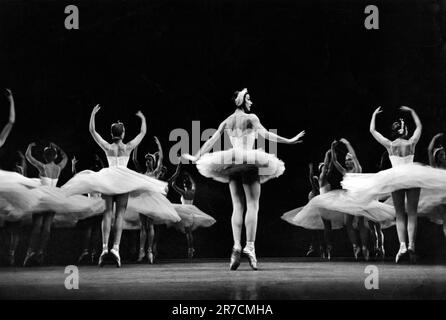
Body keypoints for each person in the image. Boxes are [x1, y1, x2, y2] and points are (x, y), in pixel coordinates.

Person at [183, 88, 305, 270]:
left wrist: (196, 156)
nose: (251, 102)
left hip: (232, 164)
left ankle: (236, 245)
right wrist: (288, 140)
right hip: (248, 163)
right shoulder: (251, 118)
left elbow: (210, 142)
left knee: (237, 206)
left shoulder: (227, 121)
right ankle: (250, 246)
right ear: (241, 101)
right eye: (249, 99)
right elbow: (265, 134)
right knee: (253, 205)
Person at [62, 105, 169, 268]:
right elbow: (142, 133)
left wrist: (92, 114)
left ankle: (105, 248)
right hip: (123, 180)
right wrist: (143, 119)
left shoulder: (108, 146)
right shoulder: (127, 147)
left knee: (107, 214)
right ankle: (116, 248)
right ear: (123, 134)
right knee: (119, 214)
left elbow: (92, 131)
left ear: (112, 134)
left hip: (109, 179)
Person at [342, 106, 446, 263]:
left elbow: (372, 130)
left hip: (396, 178)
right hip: (412, 176)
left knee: (399, 215)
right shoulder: (411, 142)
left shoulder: (390, 145)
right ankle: (411, 246)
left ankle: (402, 246)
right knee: (411, 214)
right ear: (405, 131)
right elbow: (419, 127)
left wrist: (374, 115)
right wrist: (412, 112)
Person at [23, 142, 68, 266]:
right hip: (53, 200)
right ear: (54, 157)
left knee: (37, 227)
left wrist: (30, 146)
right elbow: (65, 158)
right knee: (47, 228)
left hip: (42, 200)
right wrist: (58, 147)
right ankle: (41, 252)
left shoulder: (43, 167)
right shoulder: (58, 168)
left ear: (45, 156)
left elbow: (28, 157)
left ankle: (30, 252)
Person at [331, 138, 370, 260]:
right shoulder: (344, 172)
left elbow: (354, 156)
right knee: (348, 223)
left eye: (349, 160)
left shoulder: (358, 170)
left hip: (358, 200)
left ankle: (364, 247)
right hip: (349, 201)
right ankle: (356, 246)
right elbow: (334, 161)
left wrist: (347, 144)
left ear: (353, 161)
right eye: (346, 160)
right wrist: (332, 148)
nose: (347, 162)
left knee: (361, 224)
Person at [168, 161, 216, 259]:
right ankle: (190, 249)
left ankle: (190, 249)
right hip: (190, 213)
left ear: (185, 186)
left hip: (185, 213)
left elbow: (173, 186)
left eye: (184, 185)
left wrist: (174, 180)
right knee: (188, 232)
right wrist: (189, 176)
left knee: (188, 232)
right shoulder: (192, 192)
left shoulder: (184, 193)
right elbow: (194, 184)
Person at [281, 163, 325, 258]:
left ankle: (318, 248)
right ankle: (315, 248)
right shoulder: (315, 191)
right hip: (314, 214)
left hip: (316, 214)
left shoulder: (316, 190)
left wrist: (311, 170)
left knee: (316, 232)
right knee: (315, 232)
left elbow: (311, 179)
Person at [73, 155, 105, 265]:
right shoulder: (102, 181)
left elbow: (77, 177)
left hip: (91, 205)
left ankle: (86, 251)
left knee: (89, 229)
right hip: (100, 205)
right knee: (96, 230)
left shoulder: (89, 181)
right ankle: (92, 253)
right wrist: (100, 161)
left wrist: (73, 166)